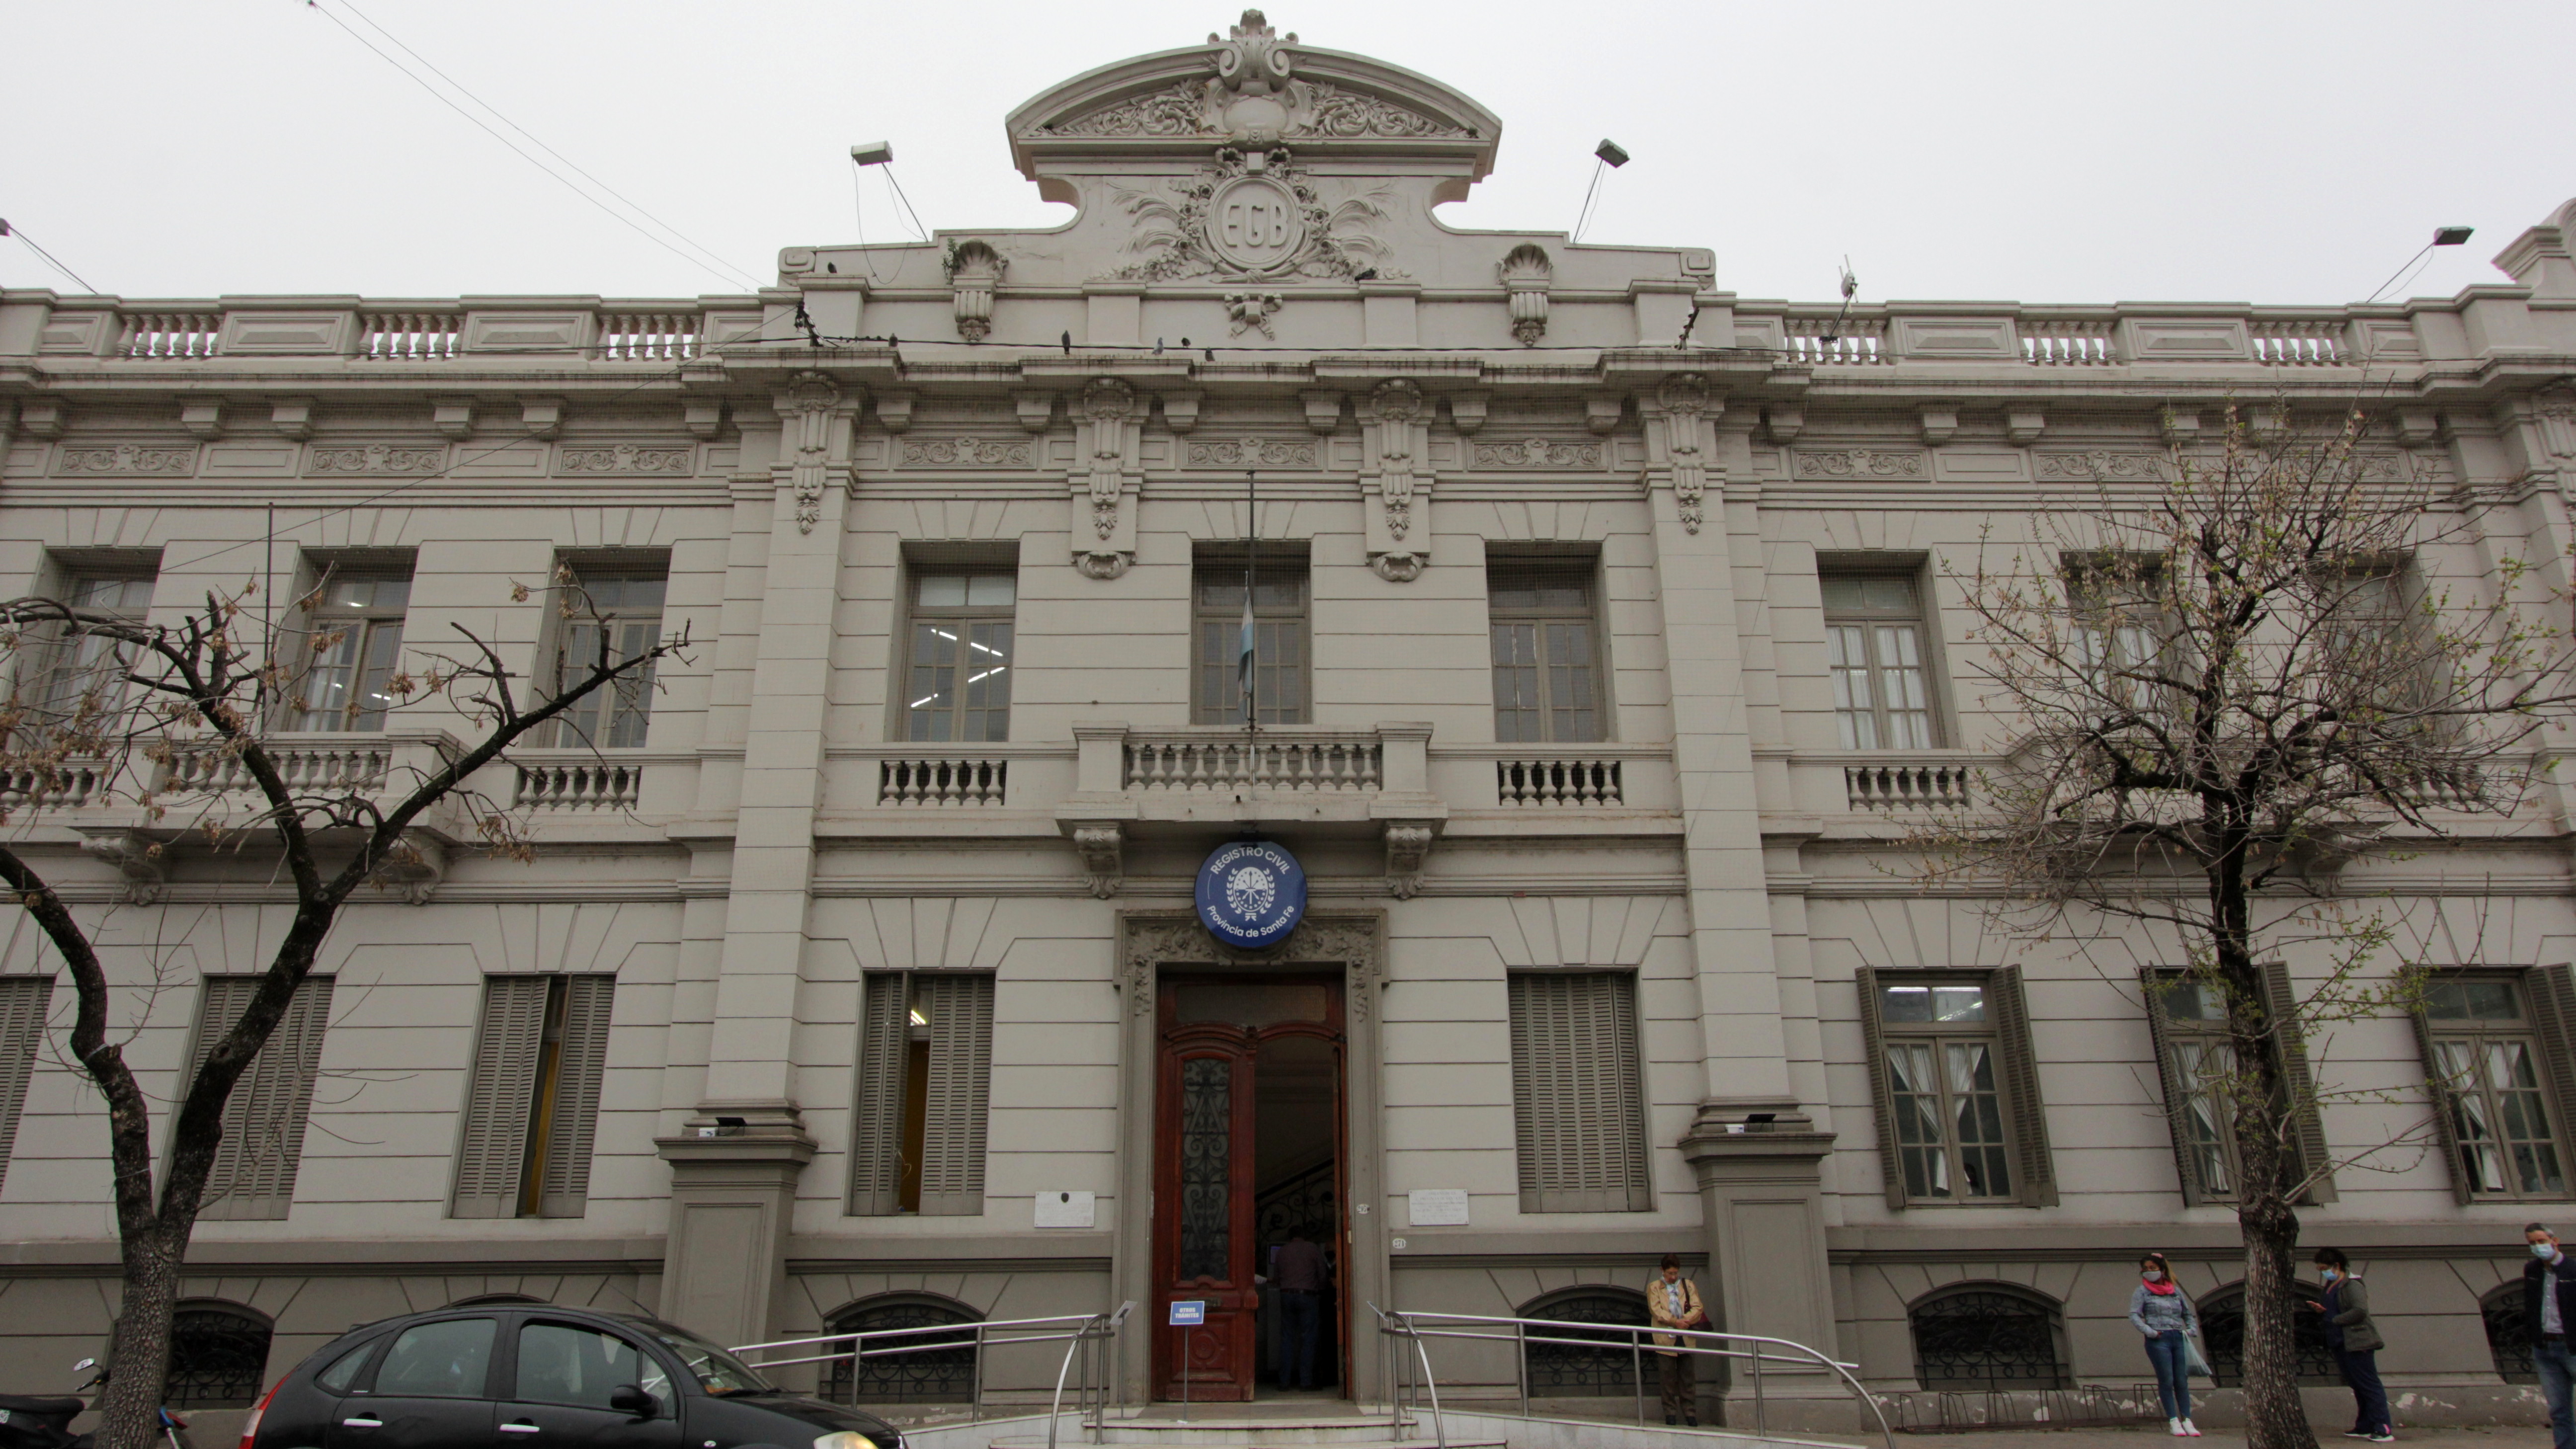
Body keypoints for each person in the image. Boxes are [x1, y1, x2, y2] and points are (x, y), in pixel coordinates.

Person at [2305, 1248, 2392, 1443]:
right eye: (2320, 1269)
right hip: (2340, 1342)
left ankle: (2383, 1427)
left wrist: (2335, 1319)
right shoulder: (2331, 1285)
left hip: (2357, 1342)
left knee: (2369, 1384)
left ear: (2337, 1266)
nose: (2323, 1273)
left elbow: (2360, 1310)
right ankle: (2365, 1425)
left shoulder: (2352, 1285)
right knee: (2357, 1385)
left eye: (2325, 1268)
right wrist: (2322, 1312)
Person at [2129, 1253, 2202, 1438]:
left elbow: (2187, 1314)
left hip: (2178, 1337)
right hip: (2158, 1339)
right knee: (2167, 1380)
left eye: (2153, 1268)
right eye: (2145, 1269)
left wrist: (2191, 1330)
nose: (2149, 1272)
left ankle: (2187, 1420)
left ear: (2162, 1270)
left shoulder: (2175, 1291)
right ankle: (2173, 1420)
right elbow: (2134, 1315)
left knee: (2182, 1381)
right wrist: (2150, 1331)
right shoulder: (2142, 1292)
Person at [1646, 1253, 1708, 1427]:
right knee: (1667, 1377)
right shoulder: (1654, 1287)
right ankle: (1670, 1413)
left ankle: (1690, 1413)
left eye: (1675, 1273)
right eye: (1670, 1273)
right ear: (1662, 1271)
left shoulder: (1687, 1285)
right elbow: (1656, 1310)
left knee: (1687, 1377)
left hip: (1686, 1336)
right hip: (1665, 1337)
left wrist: (1685, 1321)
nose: (1673, 1277)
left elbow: (1697, 1307)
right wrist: (1675, 1322)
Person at [2530, 1224, 2576, 1449]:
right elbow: (2531, 1304)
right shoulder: (2533, 1270)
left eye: (2541, 1241)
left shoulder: (2572, 1269)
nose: (2538, 1247)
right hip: (2546, 1348)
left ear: (2554, 1241)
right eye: (2533, 1243)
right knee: (2559, 1409)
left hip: (2571, 1346)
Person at [1272, 1226, 1330, 1391]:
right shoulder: (1313, 1248)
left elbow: (1276, 1278)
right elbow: (1322, 1274)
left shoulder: (1282, 1251)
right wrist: (1321, 1290)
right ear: (1304, 1236)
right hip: (1308, 1296)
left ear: (1289, 1237)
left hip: (1286, 1296)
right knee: (1308, 1339)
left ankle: (1284, 1382)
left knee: (1287, 1338)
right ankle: (1306, 1382)